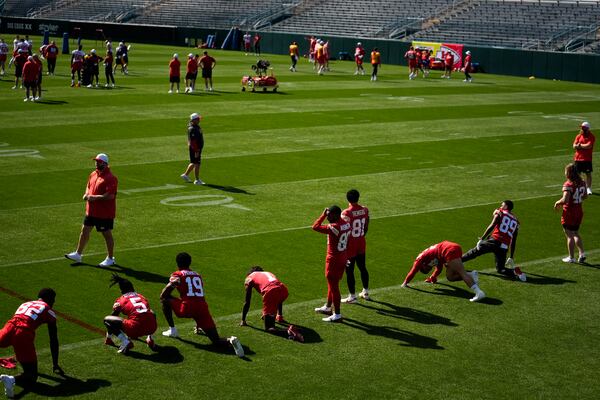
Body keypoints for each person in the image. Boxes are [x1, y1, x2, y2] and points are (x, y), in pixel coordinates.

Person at [160, 252, 245, 357]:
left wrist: (167, 295)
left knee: (165, 299)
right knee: (216, 340)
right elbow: (196, 294)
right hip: (202, 308)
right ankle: (231, 340)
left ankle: (173, 330)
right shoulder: (197, 275)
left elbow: (164, 294)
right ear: (189, 262)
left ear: (177, 263)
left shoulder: (177, 274)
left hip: (187, 307)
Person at [0, 288, 63, 399]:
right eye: (53, 299)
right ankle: (11, 380)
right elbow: (53, 339)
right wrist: (55, 363)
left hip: (9, 327)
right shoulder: (48, 310)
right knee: (32, 375)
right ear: (49, 299)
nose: (54, 302)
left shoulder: (26, 303)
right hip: (23, 333)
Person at [65, 153, 118, 267]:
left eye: (98, 162)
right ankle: (78, 254)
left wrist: (93, 197)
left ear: (105, 164)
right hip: (91, 211)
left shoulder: (110, 178)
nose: (96, 163)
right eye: (96, 161)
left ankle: (110, 258)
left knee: (106, 234)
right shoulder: (93, 174)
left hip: (104, 213)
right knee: (84, 231)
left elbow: (110, 196)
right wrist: (86, 194)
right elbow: (88, 186)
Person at [461, 200, 526, 281]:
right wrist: (511, 256)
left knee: (476, 251)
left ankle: (457, 261)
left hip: (495, 241)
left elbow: (492, 224)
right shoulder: (516, 221)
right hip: (504, 246)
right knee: (501, 269)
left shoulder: (500, 212)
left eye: (502, 205)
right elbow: (514, 240)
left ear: (506, 206)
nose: (501, 206)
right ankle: (516, 272)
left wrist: (481, 238)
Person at [401, 241, 486, 302]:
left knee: (462, 273)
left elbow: (412, 272)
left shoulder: (419, 260)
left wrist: (405, 283)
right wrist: (433, 277)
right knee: (450, 277)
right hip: (451, 247)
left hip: (448, 250)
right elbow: (439, 267)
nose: (430, 268)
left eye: (428, 269)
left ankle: (478, 292)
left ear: (423, 266)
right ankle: (471, 274)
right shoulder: (428, 259)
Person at [240, 266, 303, 342]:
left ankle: (289, 331)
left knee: (269, 328)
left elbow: (247, 301)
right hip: (283, 289)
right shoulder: (268, 273)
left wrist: (243, 320)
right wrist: (279, 315)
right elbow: (277, 292)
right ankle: (281, 318)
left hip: (271, 292)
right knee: (274, 300)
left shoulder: (250, 277)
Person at [312, 206, 351, 322]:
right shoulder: (347, 224)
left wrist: (322, 215)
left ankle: (337, 314)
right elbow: (348, 241)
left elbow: (315, 227)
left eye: (329, 215)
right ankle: (328, 307)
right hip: (342, 257)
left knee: (334, 287)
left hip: (333, 259)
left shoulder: (334, 227)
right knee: (332, 284)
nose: (328, 216)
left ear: (335, 214)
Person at [104, 274, 157, 354]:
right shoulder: (141, 296)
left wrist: (109, 337)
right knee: (150, 312)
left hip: (135, 330)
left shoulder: (120, 300)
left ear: (121, 291)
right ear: (133, 288)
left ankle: (125, 341)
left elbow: (113, 318)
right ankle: (150, 338)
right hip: (152, 327)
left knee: (107, 319)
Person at [554, 163, 588, 263]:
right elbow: (585, 196)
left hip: (569, 212)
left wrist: (557, 202)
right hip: (579, 210)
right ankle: (582, 254)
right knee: (576, 233)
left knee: (569, 234)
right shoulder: (582, 182)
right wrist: (577, 199)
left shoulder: (568, 184)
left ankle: (571, 257)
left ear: (568, 173)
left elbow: (565, 199)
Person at [341, 189, 370, 304]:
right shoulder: (365, 210)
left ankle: (352, 296)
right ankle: (366, 291)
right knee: (363, 267)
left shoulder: (346, 213)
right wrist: (361, 236)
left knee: (349, 271)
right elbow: (367, 225)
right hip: (361, 241)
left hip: (350, 245)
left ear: (347, 199)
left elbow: (344, 230)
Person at [180, 113, 205, 185]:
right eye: (198, 119)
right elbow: (193, 141)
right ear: (194, 120)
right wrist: (196, 150)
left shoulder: (195, 126)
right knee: (197, 163)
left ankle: (185, 175)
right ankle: (197, 180)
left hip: (195, 148)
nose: (199, 120)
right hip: (195, 149)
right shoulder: (193, 129)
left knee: (193, 162)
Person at [573, 121, 595, 195]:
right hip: (578, 158)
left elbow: (589, 146)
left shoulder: (591, 136)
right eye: (582, 128)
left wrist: (579, 146)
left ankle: (588, 188)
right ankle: (578, 187)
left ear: (587, 128)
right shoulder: (578, 136)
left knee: (588, 173)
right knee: (577, 174)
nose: (582, 129)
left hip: (587, 158)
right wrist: (580, 146)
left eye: (584, 128)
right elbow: (574, 145)